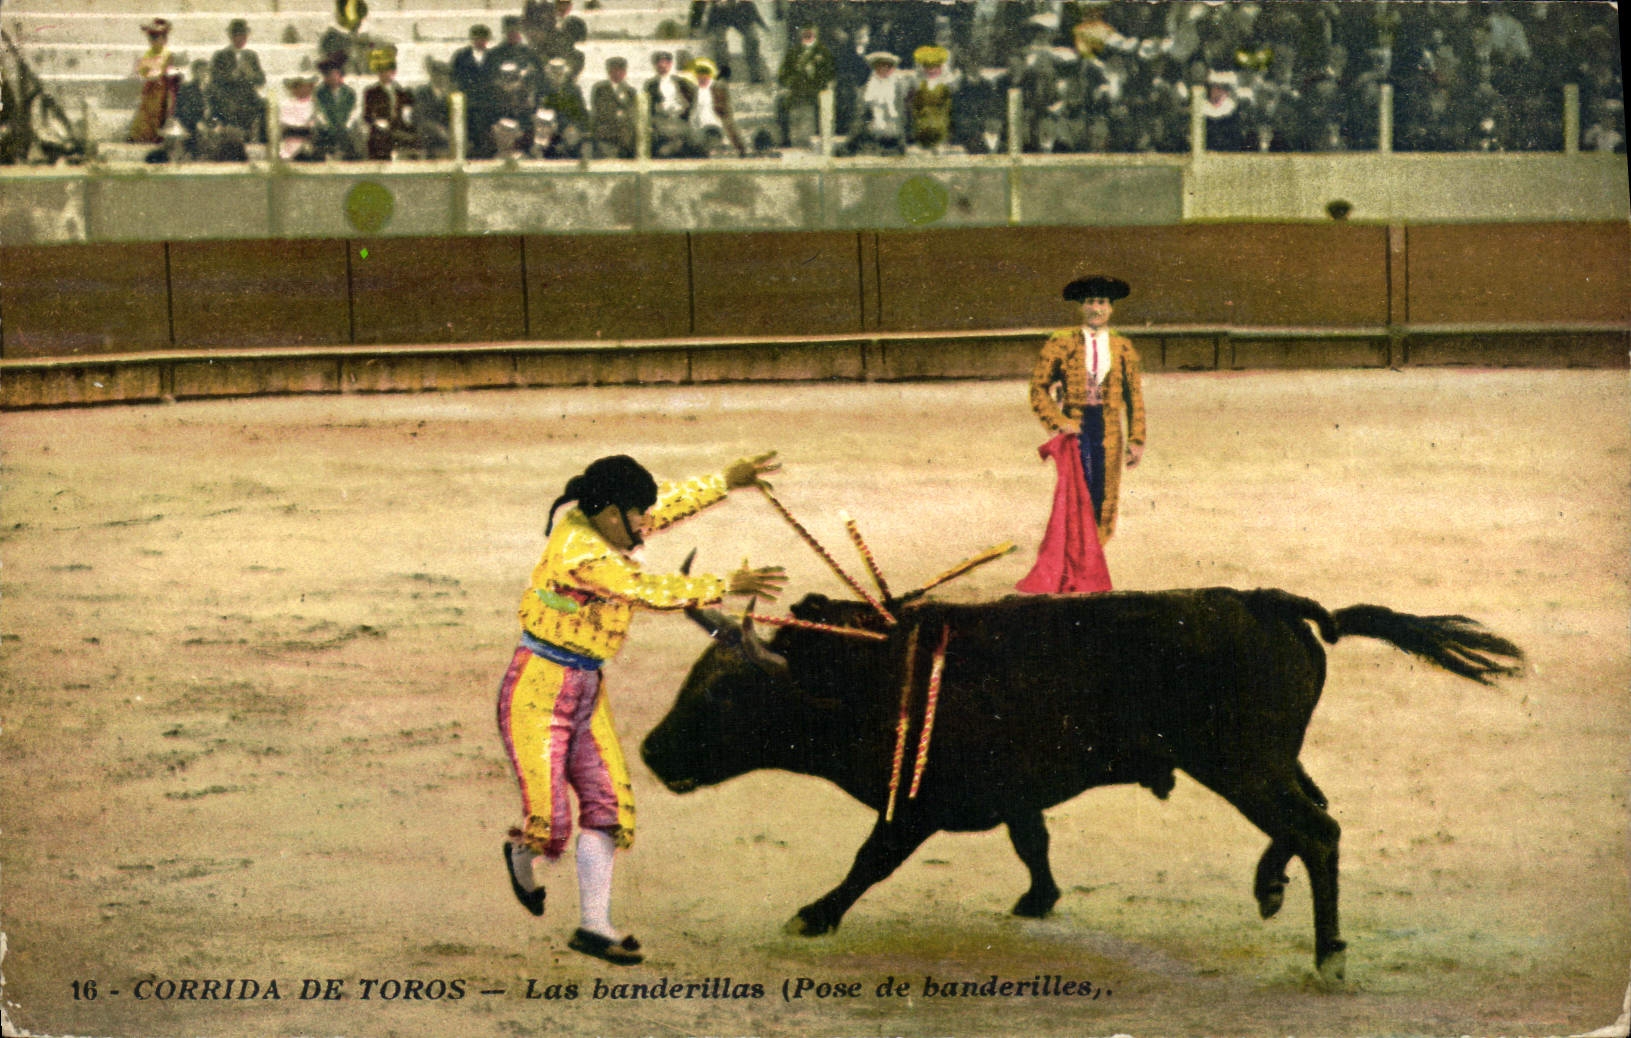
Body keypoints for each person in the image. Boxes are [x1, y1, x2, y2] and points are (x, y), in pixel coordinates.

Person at [497, 452, 787, 966]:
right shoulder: (581, 553)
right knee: (550, 826)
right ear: (612, 513)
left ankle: (594, 926)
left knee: (609, 806)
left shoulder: (608, 522)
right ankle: (522, 852)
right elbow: (644, 590)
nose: (644, 524)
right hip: (537, 690)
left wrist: (725, 480)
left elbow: (667, 505)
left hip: (585, 687)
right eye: (636, 516)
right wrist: (725, 585)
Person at [1027, 274, 1145, 547]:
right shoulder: (1061, 343)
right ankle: (1077, 550)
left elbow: (1134, 397)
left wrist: (1137, 439)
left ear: (1111, 308)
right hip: (1075, 426)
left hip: (1109, 426)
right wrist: (1057, 421)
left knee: (1105, 493)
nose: (1096, 308)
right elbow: (1038, 388)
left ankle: (1096, 550)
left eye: (1102, 302)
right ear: (1081, 306)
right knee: (1076, 491)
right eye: (1090, 302)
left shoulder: (1123, 347)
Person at [776, 22, 834, 148]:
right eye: (805, 32)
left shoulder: (823, 52)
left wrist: (814, 73)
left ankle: (816, 140)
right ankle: (787, 139)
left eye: (810, 31)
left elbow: (830, 73)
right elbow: (782, 75)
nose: (807, 34)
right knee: (782, 103)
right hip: (797, 91)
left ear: (816, 33)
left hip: (816, 91)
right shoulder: (793, 52)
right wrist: (790, 82)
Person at [209, 19, 266, 144]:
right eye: (238, 35)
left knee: (265, 105)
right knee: (230, 107)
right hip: (228, 97)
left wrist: (251, 74)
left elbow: (261, 80)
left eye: (244, 35)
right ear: (231, 36)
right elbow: (214, 79)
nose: (241, 39)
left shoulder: (251, 55)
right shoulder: (221, 55)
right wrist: (231, 76)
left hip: (248, 97)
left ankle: (261, 142)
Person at [452, 24, 500, 158]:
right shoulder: (461, 56)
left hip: (487, 103)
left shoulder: (493, 56)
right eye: (477, 38)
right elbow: (455, 77)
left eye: (483, 38)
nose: (480, 41)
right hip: (469, 102)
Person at [128, 19, 179, 144]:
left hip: (162, 88)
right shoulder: (149, 53)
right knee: (145, 111)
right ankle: (143, 135)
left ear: (164, 39)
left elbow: (164, 71)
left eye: (157, 37)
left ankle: (155, 135)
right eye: (151, 38)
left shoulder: (167, 54)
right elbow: (143, 71)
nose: (153, 41)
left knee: (158, 111)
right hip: (151, 87)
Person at [685, 57, 747, 157]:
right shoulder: (696, 90)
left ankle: (740, 152)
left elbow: (724, 107)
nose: (701, 79)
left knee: (729, 137)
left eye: (704, 77)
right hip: (701, 125)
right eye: (699, 77)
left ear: (709, 76)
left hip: (717, 122)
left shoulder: (717, 88)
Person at [700, 0, 769, 85]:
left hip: (740, 11)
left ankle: (755, 73)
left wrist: (762, 25)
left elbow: (751, 9)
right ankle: (723, 72)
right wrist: (706, 28)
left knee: (752, 38)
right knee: (719, 41)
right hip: (721, 13)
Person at [644, 50, 696, 157]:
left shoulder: (681, 82)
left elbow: (692, 100)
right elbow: (649, 107)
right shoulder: (650, 84)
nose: (663, 65)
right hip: (661, 121)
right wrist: (659, 108)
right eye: (659, 63)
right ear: (655, 65)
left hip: (679, 119)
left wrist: (682, 108)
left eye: (666, 63)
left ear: (671, 64)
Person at [907, 44, 954, 150]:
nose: (932, 70)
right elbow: (912, 110)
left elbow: (950, 111)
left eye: (936, 66)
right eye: (928, 66)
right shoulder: (916, 85)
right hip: (921, 131)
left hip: (942, 131)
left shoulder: (948, 86)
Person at [589, 56, 638, 158]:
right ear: (609, 72)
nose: (617, 73)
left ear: (625, 73)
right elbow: (601, 110)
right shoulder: (600, 89)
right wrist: (618, 114)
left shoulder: (630, 92)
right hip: (606, 131)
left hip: (625, 133)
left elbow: (632, 111)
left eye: (621, 70)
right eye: (614, 70)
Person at [313, 56, 361, 159]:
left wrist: (347, 124)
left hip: (346, 126)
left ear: (340, 75)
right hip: (326, 127)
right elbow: (319, 111)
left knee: (353, 136)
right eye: (329, 75)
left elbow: (354, 110)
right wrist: (327, 124)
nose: (333, 77)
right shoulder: (320, 93)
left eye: (336, 74)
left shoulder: (349, 92)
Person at [278, 74, 320, 161]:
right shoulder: (286, 104)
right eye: (299, 86)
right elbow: (286, 123)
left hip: (311, 143)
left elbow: (317, 123)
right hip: (291, 143)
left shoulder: (316, 104)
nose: (303, 89)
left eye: (306, 86)